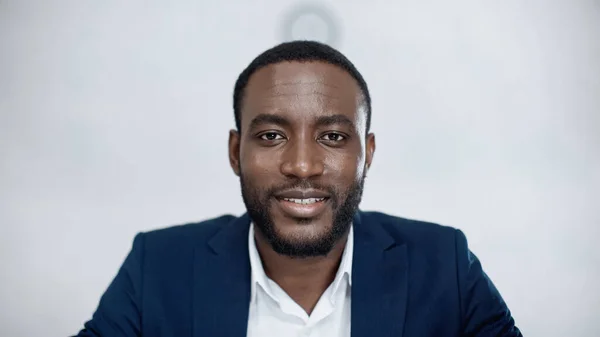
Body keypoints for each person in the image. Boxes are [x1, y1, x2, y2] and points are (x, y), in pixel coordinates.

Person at [74, 40, 522, 337]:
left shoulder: (445, 266)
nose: (302, 165)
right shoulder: (158, 267)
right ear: (235, 151)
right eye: (271, 136)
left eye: (332, 137)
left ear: (366, 153)